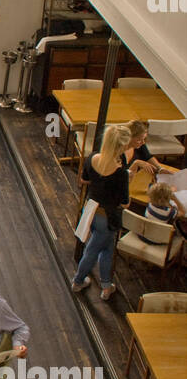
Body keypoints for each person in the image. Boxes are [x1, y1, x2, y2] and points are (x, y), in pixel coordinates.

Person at [72, 123, 132, 302]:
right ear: (121, 147)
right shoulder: (121, 174)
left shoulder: (92, 158)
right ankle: (77, 281)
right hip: (108, 218)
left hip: (91, 210)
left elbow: (85, 179)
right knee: (92, 250)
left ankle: (106, 286)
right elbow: (125, 203)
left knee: (106, 248)